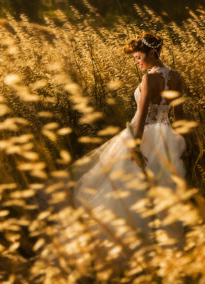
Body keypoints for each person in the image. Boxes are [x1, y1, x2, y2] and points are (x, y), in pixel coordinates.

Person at [69, 32, 187, 254]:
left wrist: (135, 145)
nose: (137, 61)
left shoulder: (148, 79)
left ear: (151, 53)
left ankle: (131, 241)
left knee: (127, 188)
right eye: (135, 58)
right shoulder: (176, 76)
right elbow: (179, 115)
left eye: (139, 56)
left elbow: (142, 115)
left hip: (142, 135)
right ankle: (164, 243)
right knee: (164, 189)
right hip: (167, 136)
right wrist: (183, 143)